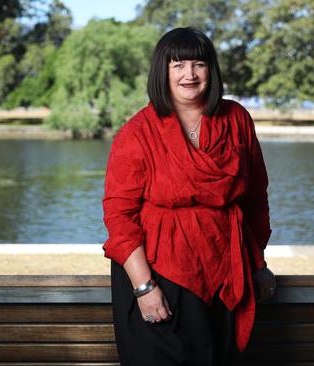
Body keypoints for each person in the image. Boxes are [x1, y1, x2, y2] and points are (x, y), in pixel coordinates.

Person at [102, 27, 275, 366]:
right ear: (162, 72)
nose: (189, 75)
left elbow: (255, 199)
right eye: (177, 65)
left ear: (211, 69)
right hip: (159, 276)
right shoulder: (137, 133)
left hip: (225, 268)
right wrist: (144, 288)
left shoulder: (236, 119)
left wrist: (259, 263)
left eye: (198, 64)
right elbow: (120, 218)